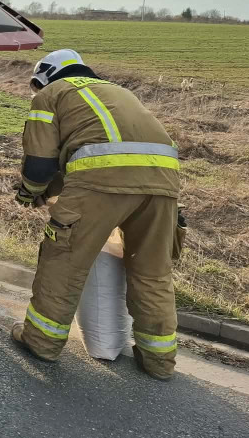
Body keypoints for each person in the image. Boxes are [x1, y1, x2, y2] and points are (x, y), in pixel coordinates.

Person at [10, 49, 181, 380]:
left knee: (64, 259)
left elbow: (41, 164)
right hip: (163, 183)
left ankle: (42, 341)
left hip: (101, 180)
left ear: (44, 75)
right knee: (153, 271)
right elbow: (94, 147)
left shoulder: (51, 94)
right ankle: (159, 361)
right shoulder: (118, 92)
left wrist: (29, 191)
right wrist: (48, 189)